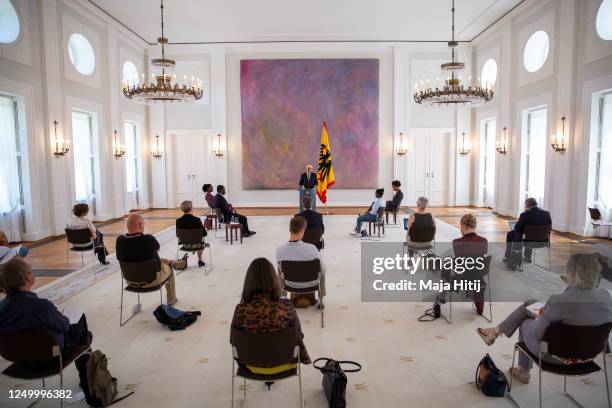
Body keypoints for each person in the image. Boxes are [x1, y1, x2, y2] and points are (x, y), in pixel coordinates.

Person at [477, 253, 612, 384]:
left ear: (573, 274)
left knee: (524, 322)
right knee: (531, 303)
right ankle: (494, 332)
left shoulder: (558, 301)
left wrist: (540, 317)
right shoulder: (606, 296)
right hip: (589, 354)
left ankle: (522, 370)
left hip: (554, 355)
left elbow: (537, 333)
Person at [231, 257, 311, 377]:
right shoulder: (286, 307)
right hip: (284, 363)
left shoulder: (240, 310)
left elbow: (234, 341)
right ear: (274, 279)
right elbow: (298, 336)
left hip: (250, 366)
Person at [0, 257, 92, 352]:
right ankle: (85, 354)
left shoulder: (2, 307)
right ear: (26, 277)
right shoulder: (41, 307)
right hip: (49, 353)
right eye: (30, 271)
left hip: (16, 353)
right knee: (80, 317)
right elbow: (64, 326)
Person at [115, 213, 177, 305]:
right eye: (143, 224)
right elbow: (157, 249)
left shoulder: (119, 240)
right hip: (151, 280)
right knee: (168, 268)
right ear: (140, 225)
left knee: (158, 260)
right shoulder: (148, 239)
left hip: (130, 280)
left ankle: (173, 262)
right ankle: (171, 299)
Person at [438, 214, 488, 314]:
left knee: (447, 265)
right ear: (474, 225)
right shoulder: (484, 241)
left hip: (462, 281)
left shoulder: (457, 242)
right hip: (479, 279)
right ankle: (478, 305)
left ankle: (441, 296)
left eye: (461, 226)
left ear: (464, 226)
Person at [276, 216, 326, 307]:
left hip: (290, 284)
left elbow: (281, 271)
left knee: (279, 269)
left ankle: (281, 296)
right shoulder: (312, 248)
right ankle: (321, 298)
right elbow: (323, 270)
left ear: (289, 230)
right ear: (303, 230)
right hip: (312, 284)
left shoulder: (280, 250)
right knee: (322, 268)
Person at [504, 198, 552, 266]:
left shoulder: (525, 214)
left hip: (528, 241)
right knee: (529, 234)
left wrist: (523, 216)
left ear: (527, 205)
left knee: (511, 234)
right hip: (543, 242)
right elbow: (550, 228)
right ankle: (527, 257)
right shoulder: (546, 213)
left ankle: (508, 256)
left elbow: (517, 228)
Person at [176, 200, 207, 268]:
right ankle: (200, 260)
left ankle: (184, 258)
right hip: (198, 245)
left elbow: (177, 234)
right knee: (202, 238)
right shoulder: (197, 220)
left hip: (185, 245)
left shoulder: (178, 221)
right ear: (190, 208)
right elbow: (204, 233)